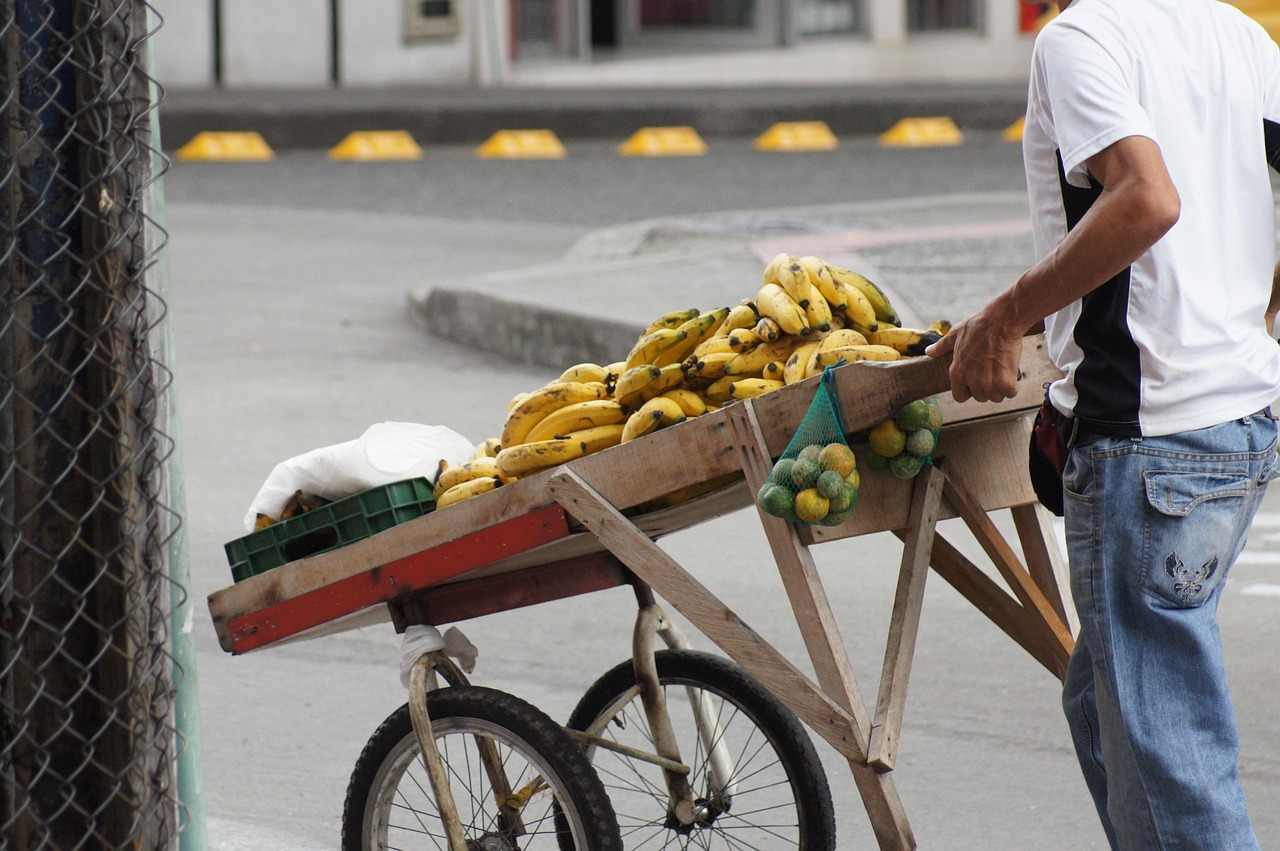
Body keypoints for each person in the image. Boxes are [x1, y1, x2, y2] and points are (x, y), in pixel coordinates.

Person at [926, 0, 1280, 847]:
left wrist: (1007, 315)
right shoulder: (1236, 30)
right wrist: (1255, 320)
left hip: (1150, 442)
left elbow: (1145, 198)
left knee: (1171, 769)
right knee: (1101, 702)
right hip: (1242, 420)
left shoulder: (1080, 37)